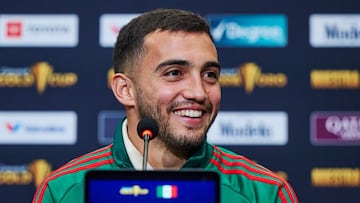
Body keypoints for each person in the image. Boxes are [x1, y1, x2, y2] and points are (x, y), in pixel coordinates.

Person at [32, 8, 298, 203]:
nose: (198, 92)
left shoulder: (265, 193)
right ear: (126, 90)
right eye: (174, 73)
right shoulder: (64, 191)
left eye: (210, 75)